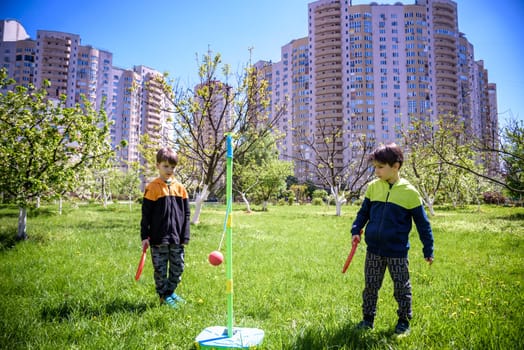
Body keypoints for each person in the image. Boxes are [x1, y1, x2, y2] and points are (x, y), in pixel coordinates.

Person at [350, 143, 434, 336]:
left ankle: (404, 321)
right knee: (370, 287)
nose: (376, 171)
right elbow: (363, 213)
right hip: (374, 250)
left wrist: (428, 249)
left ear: (395, 166)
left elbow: (423, 224)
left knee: (401, 288)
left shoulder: (410, 193)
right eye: (375, 167)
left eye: (380, 167)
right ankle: (367, 320)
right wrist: (356, 229)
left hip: (397, 252)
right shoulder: (373, 188)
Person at [141, 148, 190, 309]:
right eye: (166, 166)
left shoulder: (181, 189)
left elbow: (187, 214)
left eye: (172, 167)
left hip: (176, 238)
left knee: (178, 267)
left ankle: (170, 291)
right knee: (160, 270)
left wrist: (185, 235)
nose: (169, 170)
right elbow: (146, 215)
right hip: (158, 238)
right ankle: (163, 295)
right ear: (158, 166)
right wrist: (144, 236)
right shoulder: (152, 187)